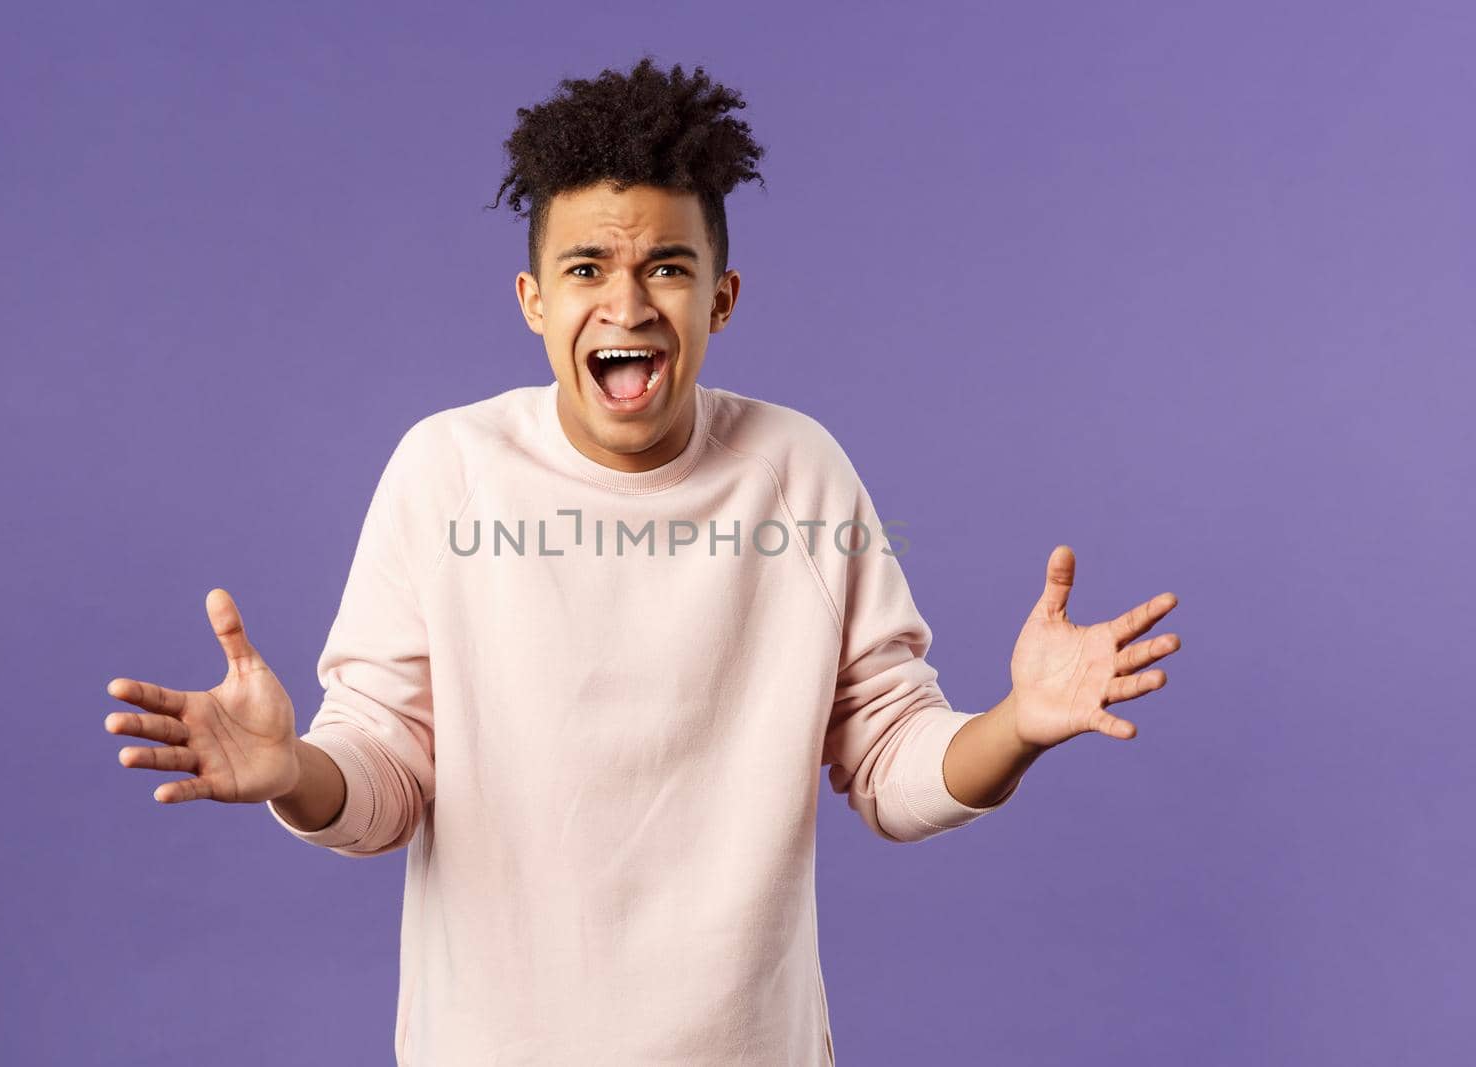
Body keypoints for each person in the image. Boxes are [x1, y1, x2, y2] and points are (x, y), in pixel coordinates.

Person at [102, 56, 1182, 1065]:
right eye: (585, 268)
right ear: (535, 303)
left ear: (720, 297)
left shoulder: (798, 473)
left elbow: (892, 761)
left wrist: (1016, 723)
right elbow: (384, 782)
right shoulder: (444, 472)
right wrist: (294, 770)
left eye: (667, 266)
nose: (625, 303)